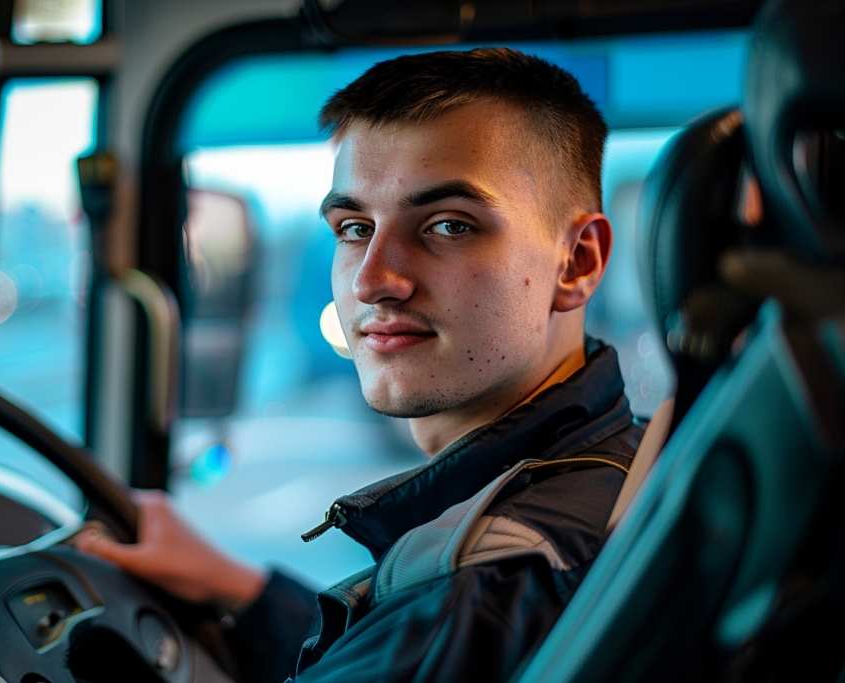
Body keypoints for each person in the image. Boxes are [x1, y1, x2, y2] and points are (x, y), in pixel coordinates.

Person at [79, 47, 644, 682]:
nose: (371, 281)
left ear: (578, 262)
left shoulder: (481, 591)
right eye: (353, 228)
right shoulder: (622, 461)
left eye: (449, 226)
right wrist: (239, 589)